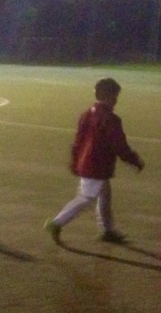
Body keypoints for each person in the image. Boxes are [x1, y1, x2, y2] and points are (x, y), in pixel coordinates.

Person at [44, 77, 144, 244]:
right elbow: (119, 146)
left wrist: (75, 161)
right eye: (114, 96)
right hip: (97, 166)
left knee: (105, 196)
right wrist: (135, 160)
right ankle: (57, 223)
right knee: (86, 198)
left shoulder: (86, 114)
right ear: (106, 95)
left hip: (87, 163)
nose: (116, 100)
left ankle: (107, 230)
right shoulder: (111, 119)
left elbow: (78, 141)